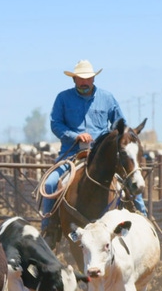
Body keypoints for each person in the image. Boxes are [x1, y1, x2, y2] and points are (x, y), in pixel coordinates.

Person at [40, 60, 147, 238]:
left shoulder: (107, 98)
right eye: (81, 79)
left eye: (88, 78)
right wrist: (75, 135)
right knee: (51, 183)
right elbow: (55, 124)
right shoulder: (63, 98)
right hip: (72, 153)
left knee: (131, 179)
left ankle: (142, 216)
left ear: (93, 78)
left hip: (103, 156)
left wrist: (123, 137)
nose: (84, 82)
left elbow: (121, 125)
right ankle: (49, 228)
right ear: (74, 79)